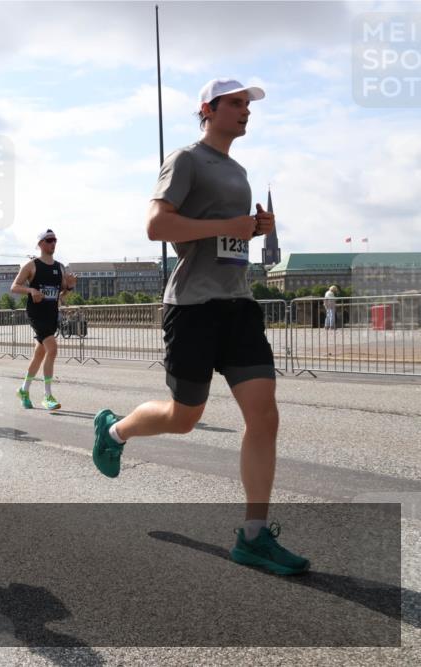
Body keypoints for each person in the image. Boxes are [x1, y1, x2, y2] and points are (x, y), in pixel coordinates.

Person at [91, 78, 308, 575]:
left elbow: (223, 236)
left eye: (248, 105)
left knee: (265, 416)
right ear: (207, 109)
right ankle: (115, 429)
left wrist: (254, 229)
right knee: (184, 417)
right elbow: (157, 227)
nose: (245, 111)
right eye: (235, 103)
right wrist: (224, 227)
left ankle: (253, 537)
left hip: (237, 305)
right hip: (192, 307)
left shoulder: (239, 171)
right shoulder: (186, 159)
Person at [11, 229, 75, 411]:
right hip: (36, 314)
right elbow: (14, 286)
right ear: (40, 244)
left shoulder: (60, 268)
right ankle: (47, 396)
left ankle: (24, 390)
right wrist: (31, 291)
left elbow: (61, 297)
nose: (53, 243)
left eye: (54, 240)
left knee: (39, 355)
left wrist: (69, 288)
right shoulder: (32, 265)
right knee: (52, 350)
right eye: (49, 240)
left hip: (52, 315)